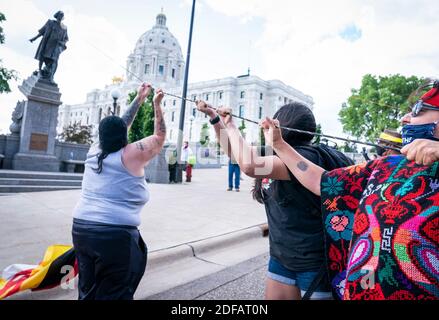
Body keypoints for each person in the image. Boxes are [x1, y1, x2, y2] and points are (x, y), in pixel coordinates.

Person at [261, 79, 439, 300]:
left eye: (417, 110)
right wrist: (278, 144)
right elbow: (320, 181)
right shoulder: (384, 166)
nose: (405, 118)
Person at [196, 100, 354, 300]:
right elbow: (237, 155)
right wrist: (216, 119)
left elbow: (249, 166)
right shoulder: (278, 153)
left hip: (315, 263)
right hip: (282, 258)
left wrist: (231, 125)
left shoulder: (305, 158)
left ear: (284, 123)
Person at [71, 83, 166, 300]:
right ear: (123, 135)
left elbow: (120, 124)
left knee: (88, 290)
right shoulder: (132, 154)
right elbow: (159, 137)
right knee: (115, 293)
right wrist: (155, 105)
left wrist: (139, 99)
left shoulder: (95, 149)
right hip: (114, 235)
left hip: (81, 229)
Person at [29, 11, 68, 83]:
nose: (61, 17)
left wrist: (62, 43)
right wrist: (34, 38)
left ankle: (51, 77)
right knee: (42, 57)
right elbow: (42, 32)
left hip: (55, 47)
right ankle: (40, 71)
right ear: (57, 16)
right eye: (60, 15)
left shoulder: (64, 28)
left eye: (62, 15)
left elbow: (66, 39)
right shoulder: (50, 22)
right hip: (46, 44)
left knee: (54, 61)